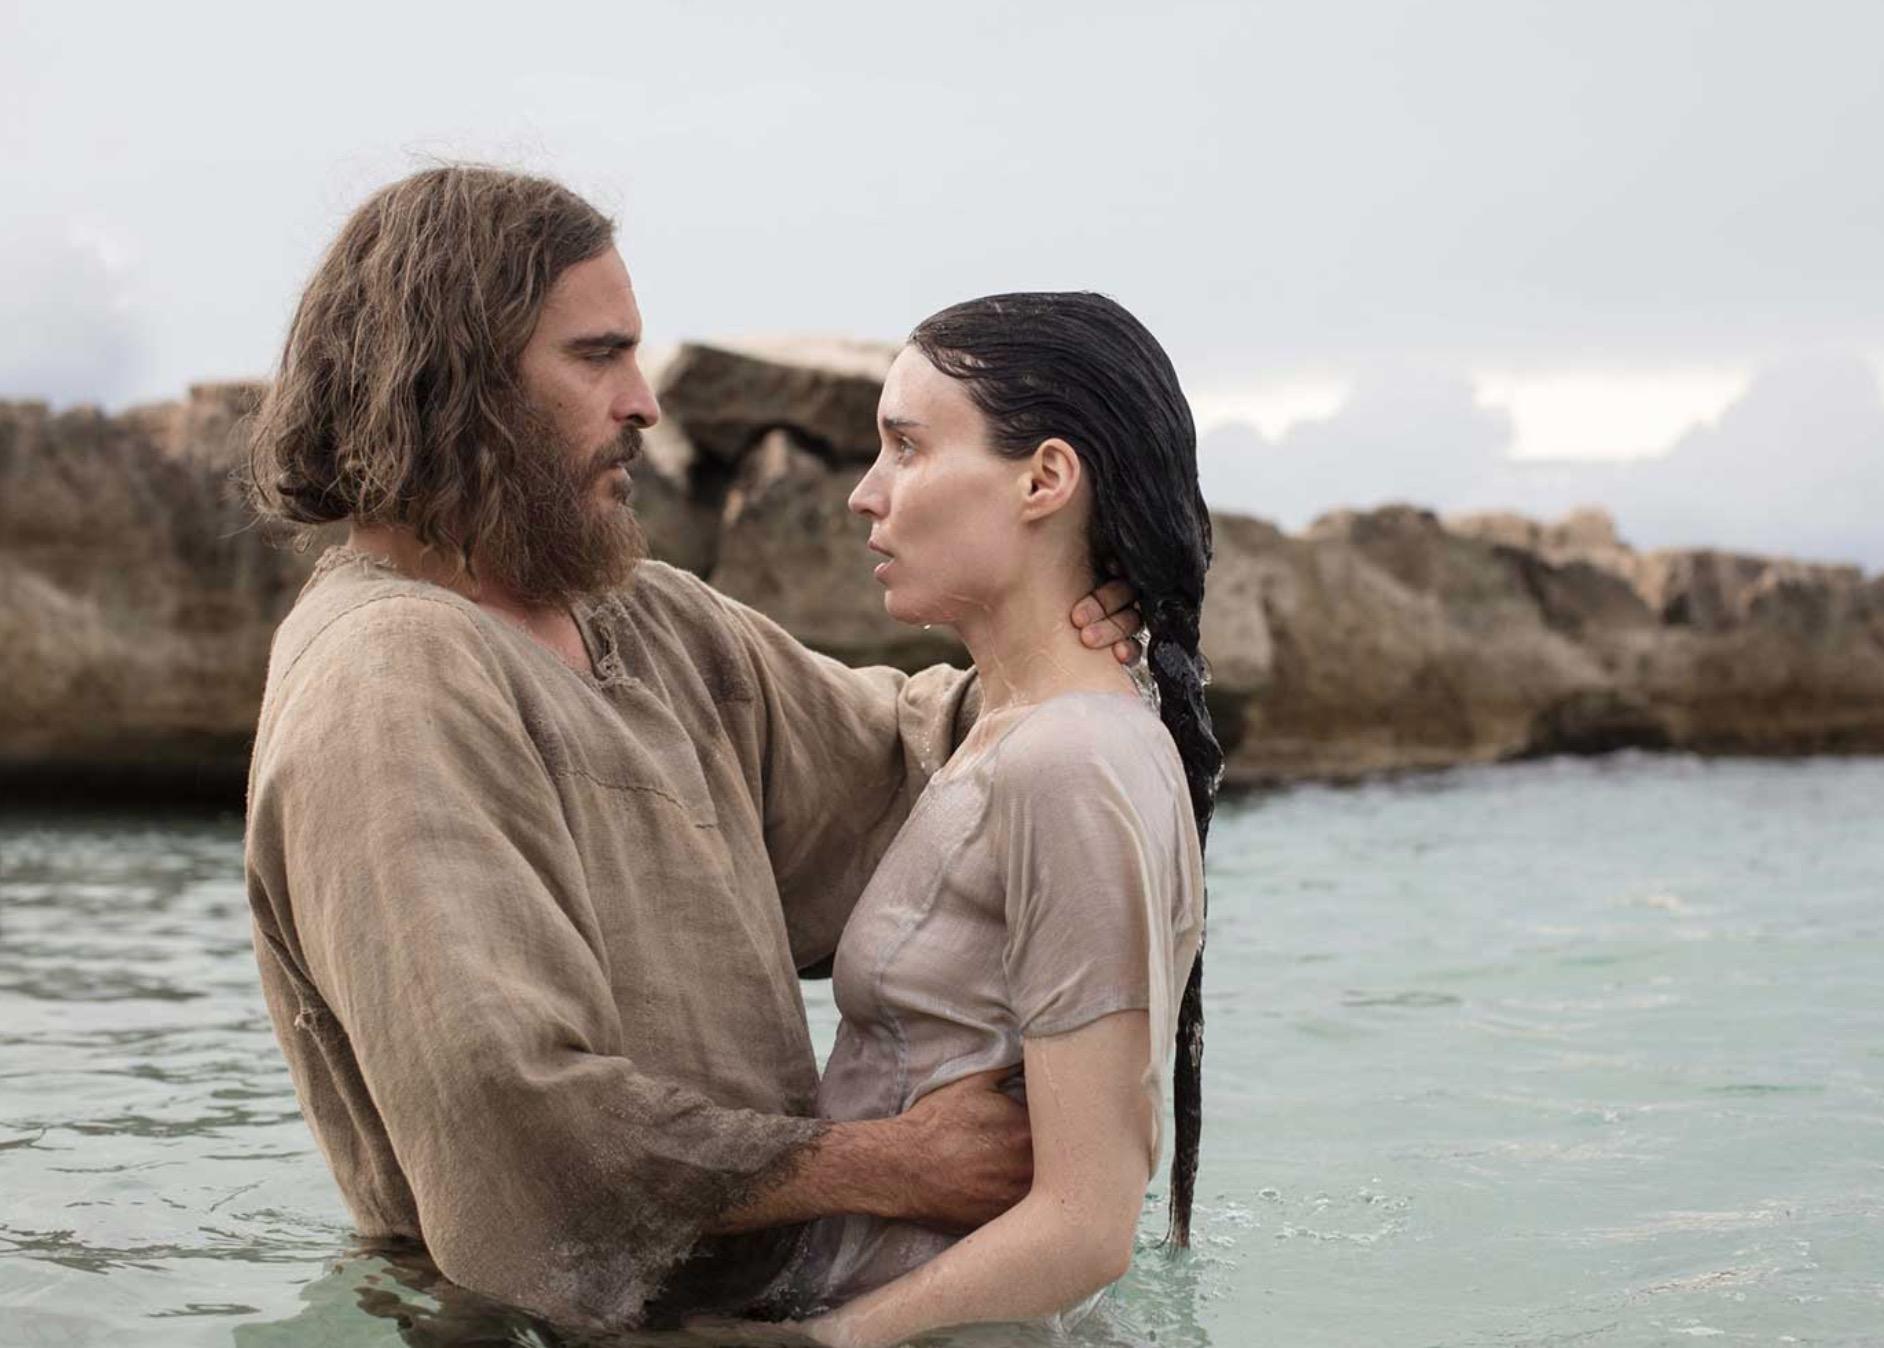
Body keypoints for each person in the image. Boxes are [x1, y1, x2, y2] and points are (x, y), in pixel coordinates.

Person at [237, 166, 1144, 1332]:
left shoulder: (640, 615)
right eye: (596, 356)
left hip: (771, 1307)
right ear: (453, 380)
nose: (644, 403)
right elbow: (508, 1104)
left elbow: (898, 766)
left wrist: (1070, 650)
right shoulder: (386, 675)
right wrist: (891, 1163)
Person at [786, 292, 1222, 1348]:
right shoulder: (1013, 732)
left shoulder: (1068, 761)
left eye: (906, 447)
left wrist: (815, 1345)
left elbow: (1085, 1225)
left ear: (1044, 479)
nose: (865, 494)